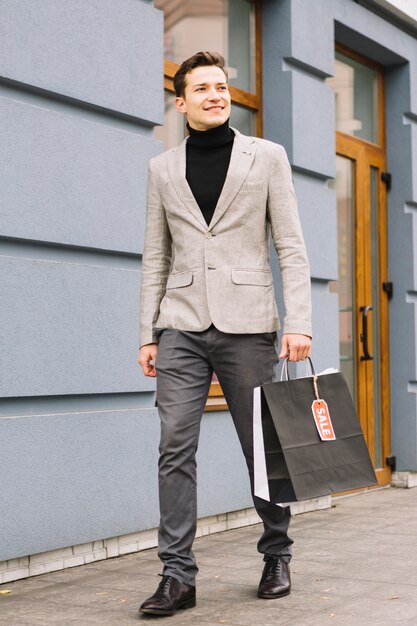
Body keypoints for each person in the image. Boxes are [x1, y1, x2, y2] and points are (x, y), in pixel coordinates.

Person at [138, 51, 312, 616]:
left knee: (263, 446)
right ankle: (177, 575)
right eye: (203, 88)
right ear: (181, 101)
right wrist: (148, 333)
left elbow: (290, 245)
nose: (216, 95)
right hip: (180, 326)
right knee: (174, 448)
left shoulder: (267, 158)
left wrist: (300, 324)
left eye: (221, 86)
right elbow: (155, 256)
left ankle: (276, 552)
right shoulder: (161, 168)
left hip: (248, 325)